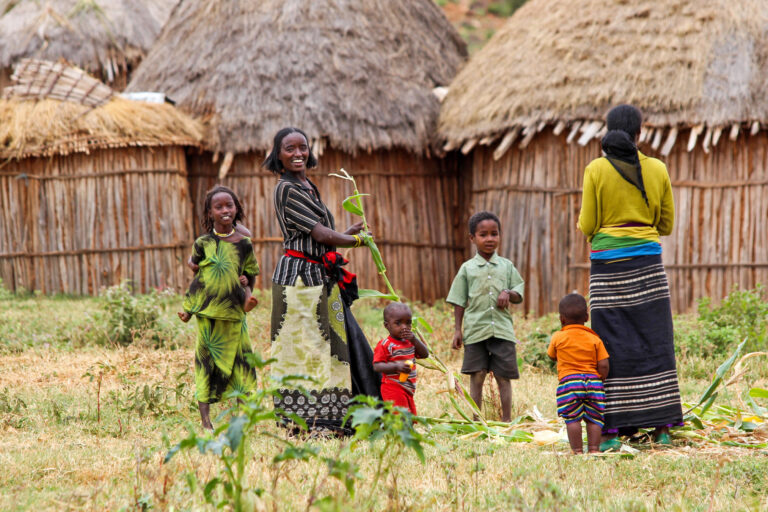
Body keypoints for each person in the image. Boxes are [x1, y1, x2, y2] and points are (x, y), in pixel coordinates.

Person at [578, 104, 683, 450]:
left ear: (607, 131)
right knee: (655, 340)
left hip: (607, 269)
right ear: (641, 133)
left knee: (610, 342)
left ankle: (611, 432)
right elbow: (665, 225)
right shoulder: (657, 169)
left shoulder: (596, 169)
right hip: (648, 265)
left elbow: (588, 225)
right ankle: (662, 427)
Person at [265, 127, 380, 435]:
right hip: (301, 282)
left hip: (318, 275)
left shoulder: (306, 185)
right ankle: (312, 423)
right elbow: (320, 235)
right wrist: (354, 242)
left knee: (338, 346)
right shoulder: (287, 188)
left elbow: (320, 236)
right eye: (290, 149)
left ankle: (344, 418)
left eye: (303, 147)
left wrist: (347, 232)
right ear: (278, 155)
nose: (298, 153)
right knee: (309, 350)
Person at [178, 185, 260, 430]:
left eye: (230, 206)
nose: (225, 210)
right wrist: (190, 307)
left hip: (235, 314)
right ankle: (206, 423)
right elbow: (197, 275)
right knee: (205, 364)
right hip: (208, 315)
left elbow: (251, 273)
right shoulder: (203, 242)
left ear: (237, 209)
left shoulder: (244, 243)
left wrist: (248, 289)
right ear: (209, 212)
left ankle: (244, 420)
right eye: (219, 207)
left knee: (242, 364)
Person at [447, 211, 524, 423]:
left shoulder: (507, 266)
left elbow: (519, 293)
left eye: (494, 234)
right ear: (472, 238)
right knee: (477, 375)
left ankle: (506, 420)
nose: (490, 239)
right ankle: (476, 419)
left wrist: (508, 292)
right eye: (483, 235)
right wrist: (457, 330)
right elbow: (459, 300)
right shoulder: (467, 269)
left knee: (503, 377)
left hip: (502, 330)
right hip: (475, 330)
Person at [547, 293, 609, 454]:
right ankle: (594, 449)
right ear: (587, 317)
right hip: (594, 382)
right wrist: (600, 379)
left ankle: (577, 450)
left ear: (562, 319)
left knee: (572, 418)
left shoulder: (558, 337)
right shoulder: (594, 338)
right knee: (594, 418)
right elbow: (603, 364)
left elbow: (551, 355)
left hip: (569, 383)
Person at [372, 302, 430, 415]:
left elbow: (425, 354)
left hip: (408, 388)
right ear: (386, 325)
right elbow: (377, 366)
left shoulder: (411, 342)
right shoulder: (385, 344)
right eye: (398, 323)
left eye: (408, 323)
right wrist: (396, 366)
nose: (404, 327)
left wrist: (415, 339)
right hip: (392, 387)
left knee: (410, 416)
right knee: (401, 417)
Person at [187, 223, 258, 311]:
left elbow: (250, 271)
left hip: (235, 283)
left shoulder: (243, 248)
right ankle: (189, 311)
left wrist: (246, 279)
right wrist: (192, 264)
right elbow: (193, 259)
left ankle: (247, 301)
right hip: (213, 281)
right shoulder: (210, 244)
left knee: (246, 286)